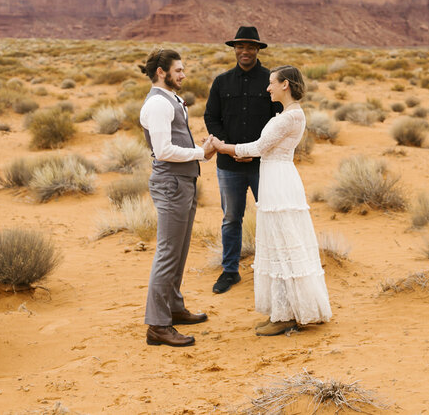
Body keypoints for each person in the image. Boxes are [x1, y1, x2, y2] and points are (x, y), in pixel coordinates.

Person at [212, 65, 332, 336]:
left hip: (278, 180)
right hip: (276, 175)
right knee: (280, 243)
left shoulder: (290, 116)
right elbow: (262, 149)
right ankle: (284, 311)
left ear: (285, 85)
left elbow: (257, 147)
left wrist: (222, 147)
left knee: (283, 243)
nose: (268, 88)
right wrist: (245, 153)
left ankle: (286, 315)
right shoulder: (288, 114)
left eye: (272, 83)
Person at [138, 48, 216, 347]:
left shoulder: (169, 99)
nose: (183, 75)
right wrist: (201, 152)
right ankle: (158, 325)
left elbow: (173, 143)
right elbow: (164, 150)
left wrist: (201, 152)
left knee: (180, 249)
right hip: (171, 183)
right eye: (179, 70)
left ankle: (173, 307)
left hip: (182, 181)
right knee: (169, 252)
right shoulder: (158, 103)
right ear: (162, 72)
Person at [203, 26, 281, 294]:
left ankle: (273, 271)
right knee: (231, 218)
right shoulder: (221, 82)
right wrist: (231, 148)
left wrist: (254, 149)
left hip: (264, 164)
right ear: (234, 49)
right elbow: (211, 118)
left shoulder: (272, 81)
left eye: (250, 47)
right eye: (240, 47)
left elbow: (278, 120)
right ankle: (230, 271)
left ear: (258, 49)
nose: (244, 51)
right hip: (229, 166)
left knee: (270, 217)